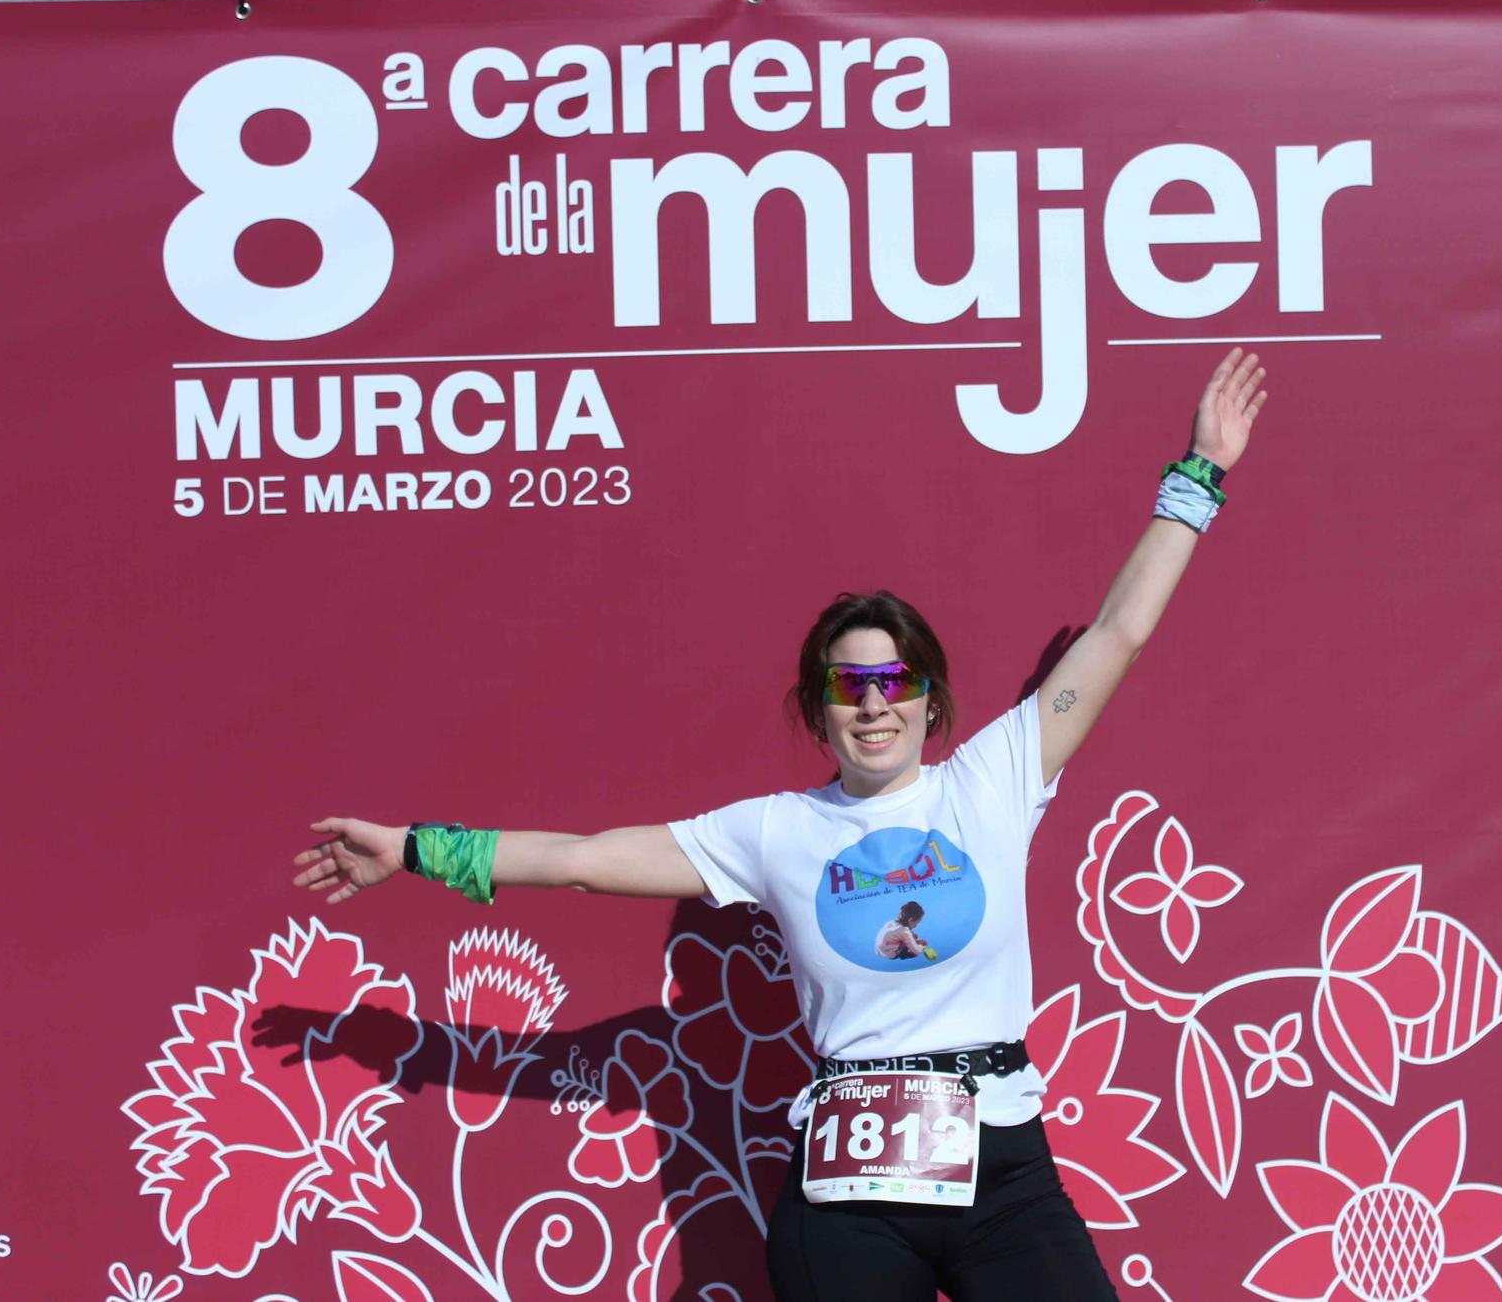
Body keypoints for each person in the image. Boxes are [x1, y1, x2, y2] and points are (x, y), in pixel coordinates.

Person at [290, 349, 1270, 1301]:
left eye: (895, 682)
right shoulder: (771, 830)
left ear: (930, 704)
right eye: (849, 686)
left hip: (1002, 1175)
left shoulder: (996, 777)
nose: (873, 704)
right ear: (817, 712)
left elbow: (1116, 634)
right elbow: (584, 861)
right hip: (847, 1199)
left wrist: (1198, 473)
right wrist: (415, 847)